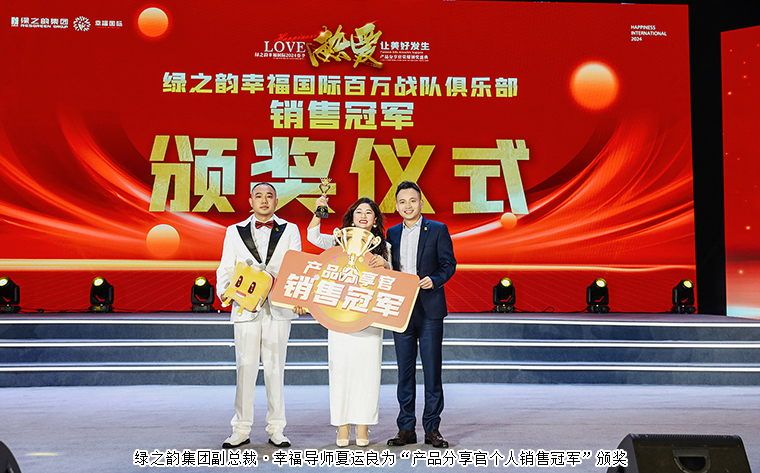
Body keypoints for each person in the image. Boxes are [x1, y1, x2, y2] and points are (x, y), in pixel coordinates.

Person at [297, 196, 390, 447]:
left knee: (368, 373)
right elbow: (313, 236)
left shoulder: (384, 247)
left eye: (369, 213)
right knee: (340, 371)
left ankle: (363, 425)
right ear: (351, 217)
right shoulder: (338, 241)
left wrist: (386, 264)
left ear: (375, 220)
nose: (363, 216)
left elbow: (394, 282)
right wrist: (319, 209)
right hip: (339, 317)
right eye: (358, 212)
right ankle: (342, 425)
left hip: (369, 320)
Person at [216, 182, 302, 449]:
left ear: (276, 201)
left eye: (269, 196)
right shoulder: (234, 231)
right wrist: (226, 293)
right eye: (258, 196)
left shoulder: (290, 229)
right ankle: (240, 429)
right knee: (245, 368)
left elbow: (296, 267)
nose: (264, 200)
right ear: (250, 201)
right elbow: (226, 267)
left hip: (278, 308)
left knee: (276, 369)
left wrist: (297, 297)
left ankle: (277, 429)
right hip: (245, 307)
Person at [386, 181, 457, 449]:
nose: (408, 206)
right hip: (401, 309)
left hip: (429, 309)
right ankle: (406, 428)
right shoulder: (391, 233)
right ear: (396, 206)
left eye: (412, 201)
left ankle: (432, 428)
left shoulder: (438, 229)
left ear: (421, 203)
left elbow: (449, 264)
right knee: (404, 373)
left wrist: (435, 280)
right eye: (402, 202)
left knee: (432, 371)